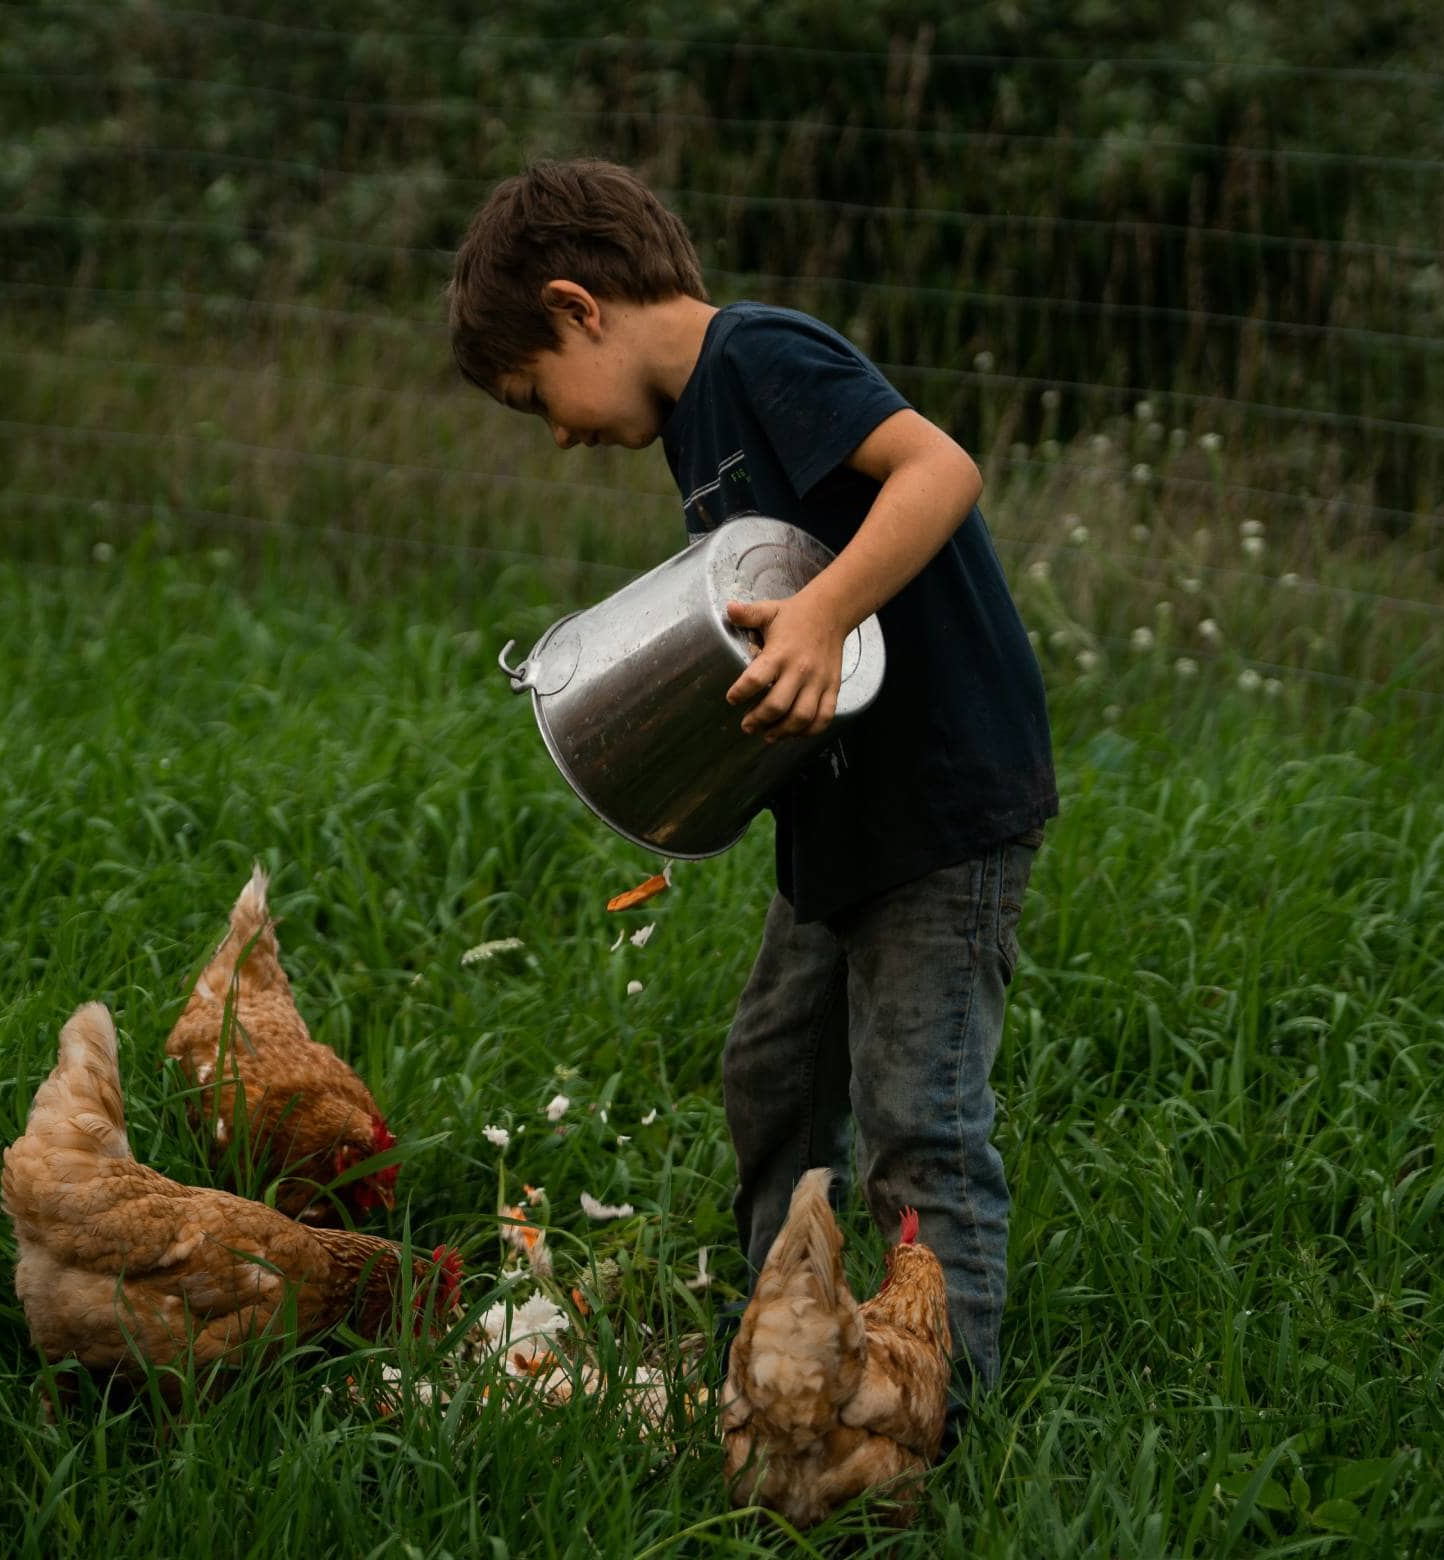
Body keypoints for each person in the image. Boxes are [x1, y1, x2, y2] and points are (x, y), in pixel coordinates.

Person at [448, 158, 1056, 1447]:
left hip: (940, 812)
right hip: (838, 820)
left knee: (921, 1121)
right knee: (773, 1074)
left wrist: (829, 612)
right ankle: (783, 1363)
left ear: (577, 307)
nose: (555, 433)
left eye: (534, 397)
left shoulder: (763, 356)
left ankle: (946, 1427)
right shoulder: (693, 422)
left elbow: (941, 470)